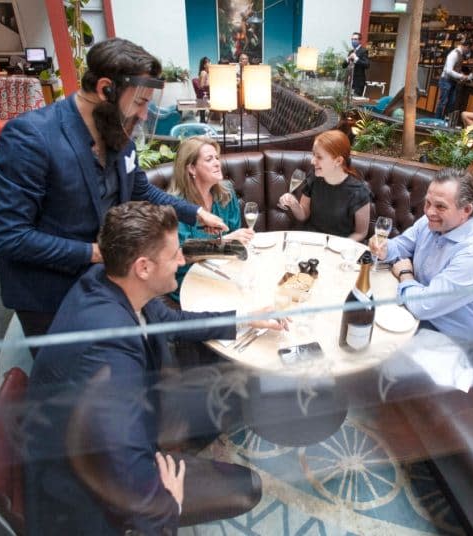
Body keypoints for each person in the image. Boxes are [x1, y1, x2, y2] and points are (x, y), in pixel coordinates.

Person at [24, 202, 281, 534]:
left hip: (114, 424)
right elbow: (120, 460)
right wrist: (164, 505)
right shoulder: (111, 356)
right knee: (247, 487)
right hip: (80, 484)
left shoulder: (105, 279)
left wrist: (243, 318)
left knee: (233, 391)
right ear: (143, 267)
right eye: (174, 254)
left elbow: (172, 321)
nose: (181, 259)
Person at [0, 37, 228, 342]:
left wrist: (196, 213)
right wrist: (97, 253)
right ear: (105, 89)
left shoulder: (118, 133)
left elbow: (141, 190)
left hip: (104, 280)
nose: (143, 115)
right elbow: (9, 237)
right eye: (140, 102)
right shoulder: (31, 138)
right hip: (50, 296)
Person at [369, 168, 473, 341]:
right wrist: (384, 249)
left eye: (440, 206)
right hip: (422, 314)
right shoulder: (431, 221)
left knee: (374, 344)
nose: (429, 212)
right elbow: (401, 246)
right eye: (428, 203)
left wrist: (405, 275)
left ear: (466, 210)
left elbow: (423, 306)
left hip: (457, 340)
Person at [168, 136, 253, 300]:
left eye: (217, 158)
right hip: (190, 280)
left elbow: (236, 243)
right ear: (192, 169)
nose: (217, 163)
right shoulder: (177, 206)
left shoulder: (226, 193)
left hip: (224, 271)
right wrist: (225, 241)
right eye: (209, 159)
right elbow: (181, 256)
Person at [278, 130, 371, 241]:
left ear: (338, 161)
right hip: (311, 242)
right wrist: (294, 204)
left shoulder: (359, 192)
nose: (313, 161)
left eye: (319, 157)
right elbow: (303, 215)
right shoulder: (314, 178)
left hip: (340, 248)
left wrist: (338, 246)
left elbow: (361, 233)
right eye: (313, 155)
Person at [435, 36, 473, 120]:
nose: (469, 51)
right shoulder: (454, 54)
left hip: (452, 81)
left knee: (451, 103)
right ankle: (437, 121)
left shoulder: (460, 54)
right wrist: (461, 76)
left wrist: (461, 74)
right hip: (446, 80)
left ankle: (445, 120)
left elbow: (455, 68)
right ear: (466, 47)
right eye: (469, 49)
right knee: (443, 102)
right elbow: (448, 70)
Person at [343, 32, 369, 97]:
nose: (353, 41)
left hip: (358, 82)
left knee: (355, 102)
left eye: (355, 39)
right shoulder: (351, 51)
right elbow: (343, 66)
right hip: (349, 81)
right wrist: (348, 59)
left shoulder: (363, 51)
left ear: (359, 40)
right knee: (346, 100)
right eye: (352, 39)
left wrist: (356, 59)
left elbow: (367, 65)